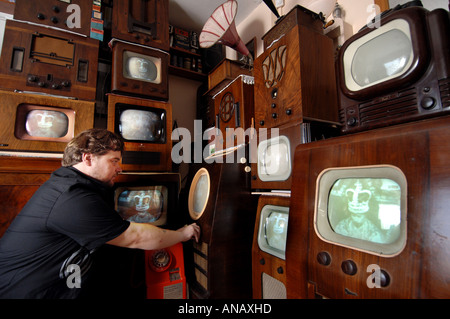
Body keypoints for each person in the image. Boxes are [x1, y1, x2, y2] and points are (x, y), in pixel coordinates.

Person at [0, 128, 200, 299]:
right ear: (88, 158)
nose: (119, 169)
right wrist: (183, 234)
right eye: (114, 161)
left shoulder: (72, 186)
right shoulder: (70, 197)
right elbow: (136, 238)